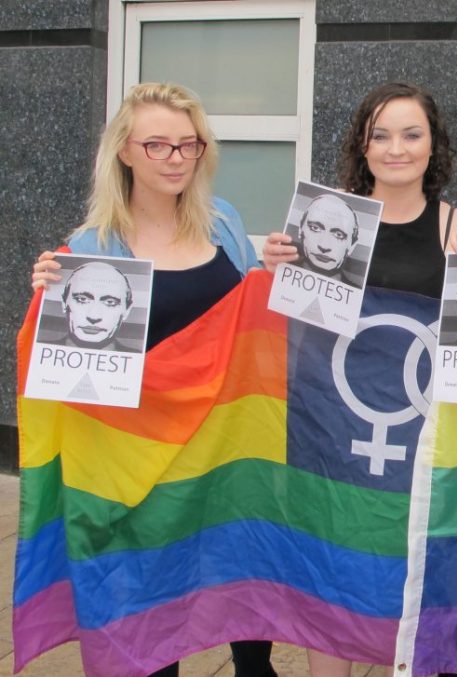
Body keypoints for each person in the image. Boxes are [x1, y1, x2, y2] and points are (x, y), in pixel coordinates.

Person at [31, 83, 275, 677]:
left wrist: (278, 276)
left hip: (224, 456)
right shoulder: (90, 250)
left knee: (247, 606)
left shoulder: (224, 225)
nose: (175, 159)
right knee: (147, 624)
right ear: (125, 152)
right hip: (139, 463)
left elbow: (247, 324)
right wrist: (46, 303)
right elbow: (72, 373)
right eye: (158, 145)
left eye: (187, 145)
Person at [262, 81, 457, 677]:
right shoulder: (327, 221)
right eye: (381, 135)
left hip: (420, 446)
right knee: (330, 579)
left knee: (415, 577)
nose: (397, 148)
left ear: (432, 144)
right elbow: (283, 325)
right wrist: (270, 271)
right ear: (361, 146)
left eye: (411, 134)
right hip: (328, 438)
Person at [55, 261, 139, 351]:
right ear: (64, 303)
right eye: (82, 299)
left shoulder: (141, 362)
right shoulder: (38, 351)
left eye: (110, 302)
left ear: (127, 310)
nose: (94, 316)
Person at [294, 193, 361, 285]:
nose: (324, 246)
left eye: (338, 235)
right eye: (315, 228)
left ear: (352, 246)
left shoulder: (358, 296)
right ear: (300, 229)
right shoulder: (278, 270)